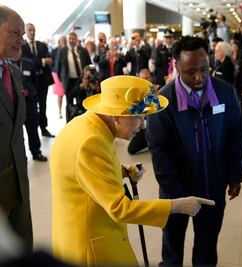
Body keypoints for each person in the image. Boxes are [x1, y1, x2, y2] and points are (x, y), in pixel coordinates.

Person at [50, 75, 215, 266]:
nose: (143, 125)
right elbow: (119, 208)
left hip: (75, 234)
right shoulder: (92, 142)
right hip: (92, 246)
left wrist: (121, 171)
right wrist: (176, 205)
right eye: (138, 117)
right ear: (116, 116)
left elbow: (82, 173)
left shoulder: (85, 125)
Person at [146, 36, 242, 267]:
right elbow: (160, 153)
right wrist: (177, 198)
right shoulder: (162, 102)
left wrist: (235, 173)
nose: (199, 77)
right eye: (191, 72)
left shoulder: (225, 94)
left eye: (204, 69)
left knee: (207, 250)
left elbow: (235, 136)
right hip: (175, 192)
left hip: (212, 187)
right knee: (172, 253)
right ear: (177, 66)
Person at [0, 4, 33, 250]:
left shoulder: (13, 72)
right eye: (15, 33)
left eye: (22, 35)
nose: (21, 40)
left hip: (19, 186)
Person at [11, 56, 48, 161]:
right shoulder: (7, 65)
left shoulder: (28, 63)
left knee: (33, 128)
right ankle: (21, 156)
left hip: (30, 102)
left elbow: (35, 81)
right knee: (17, 132)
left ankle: (36, 152)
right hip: (14, 104)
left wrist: (30, 91)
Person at [22, 23, 55, 137]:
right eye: (30, 30)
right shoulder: (23, 46)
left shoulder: (42, 45)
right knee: (32, 107)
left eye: (33, 30)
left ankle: (43, 128)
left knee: (43, 105)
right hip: (30, 82)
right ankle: (34, 130)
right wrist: (42, 61)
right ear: (25, 31)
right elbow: (27, 62)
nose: (32, 32)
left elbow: (50, 60)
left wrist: (39, 61)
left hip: (42, 80)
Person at [55, 31, 91, 122]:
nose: (71, 41)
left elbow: (89, 65)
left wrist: (87, 77)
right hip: (68, 82)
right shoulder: (62, 51)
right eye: (69, 39)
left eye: (73, 39)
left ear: (76, 40)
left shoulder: (83, 50)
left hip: (81, 80)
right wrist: (62, 81)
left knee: (82, 102)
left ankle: (82, 122)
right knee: (69, 104)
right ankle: (69, 123)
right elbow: (58, 68)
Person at [127, 68, 154, 155]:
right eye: (142, 78)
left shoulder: (157, 92)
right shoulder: (136, 93)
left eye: (147, 78)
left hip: (153, 126)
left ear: (151, 79)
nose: (144, 81)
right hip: (143, 126)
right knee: (131, 149)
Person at [50, 35, 66, 119]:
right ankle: (59, 111)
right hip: (57, 74)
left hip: (66, 74)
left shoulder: (68, 50)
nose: (63, 41)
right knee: (60, 94)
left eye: (64, 40)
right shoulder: (55, 50)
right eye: (61, 40)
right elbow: (51, 63)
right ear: (59, 41)